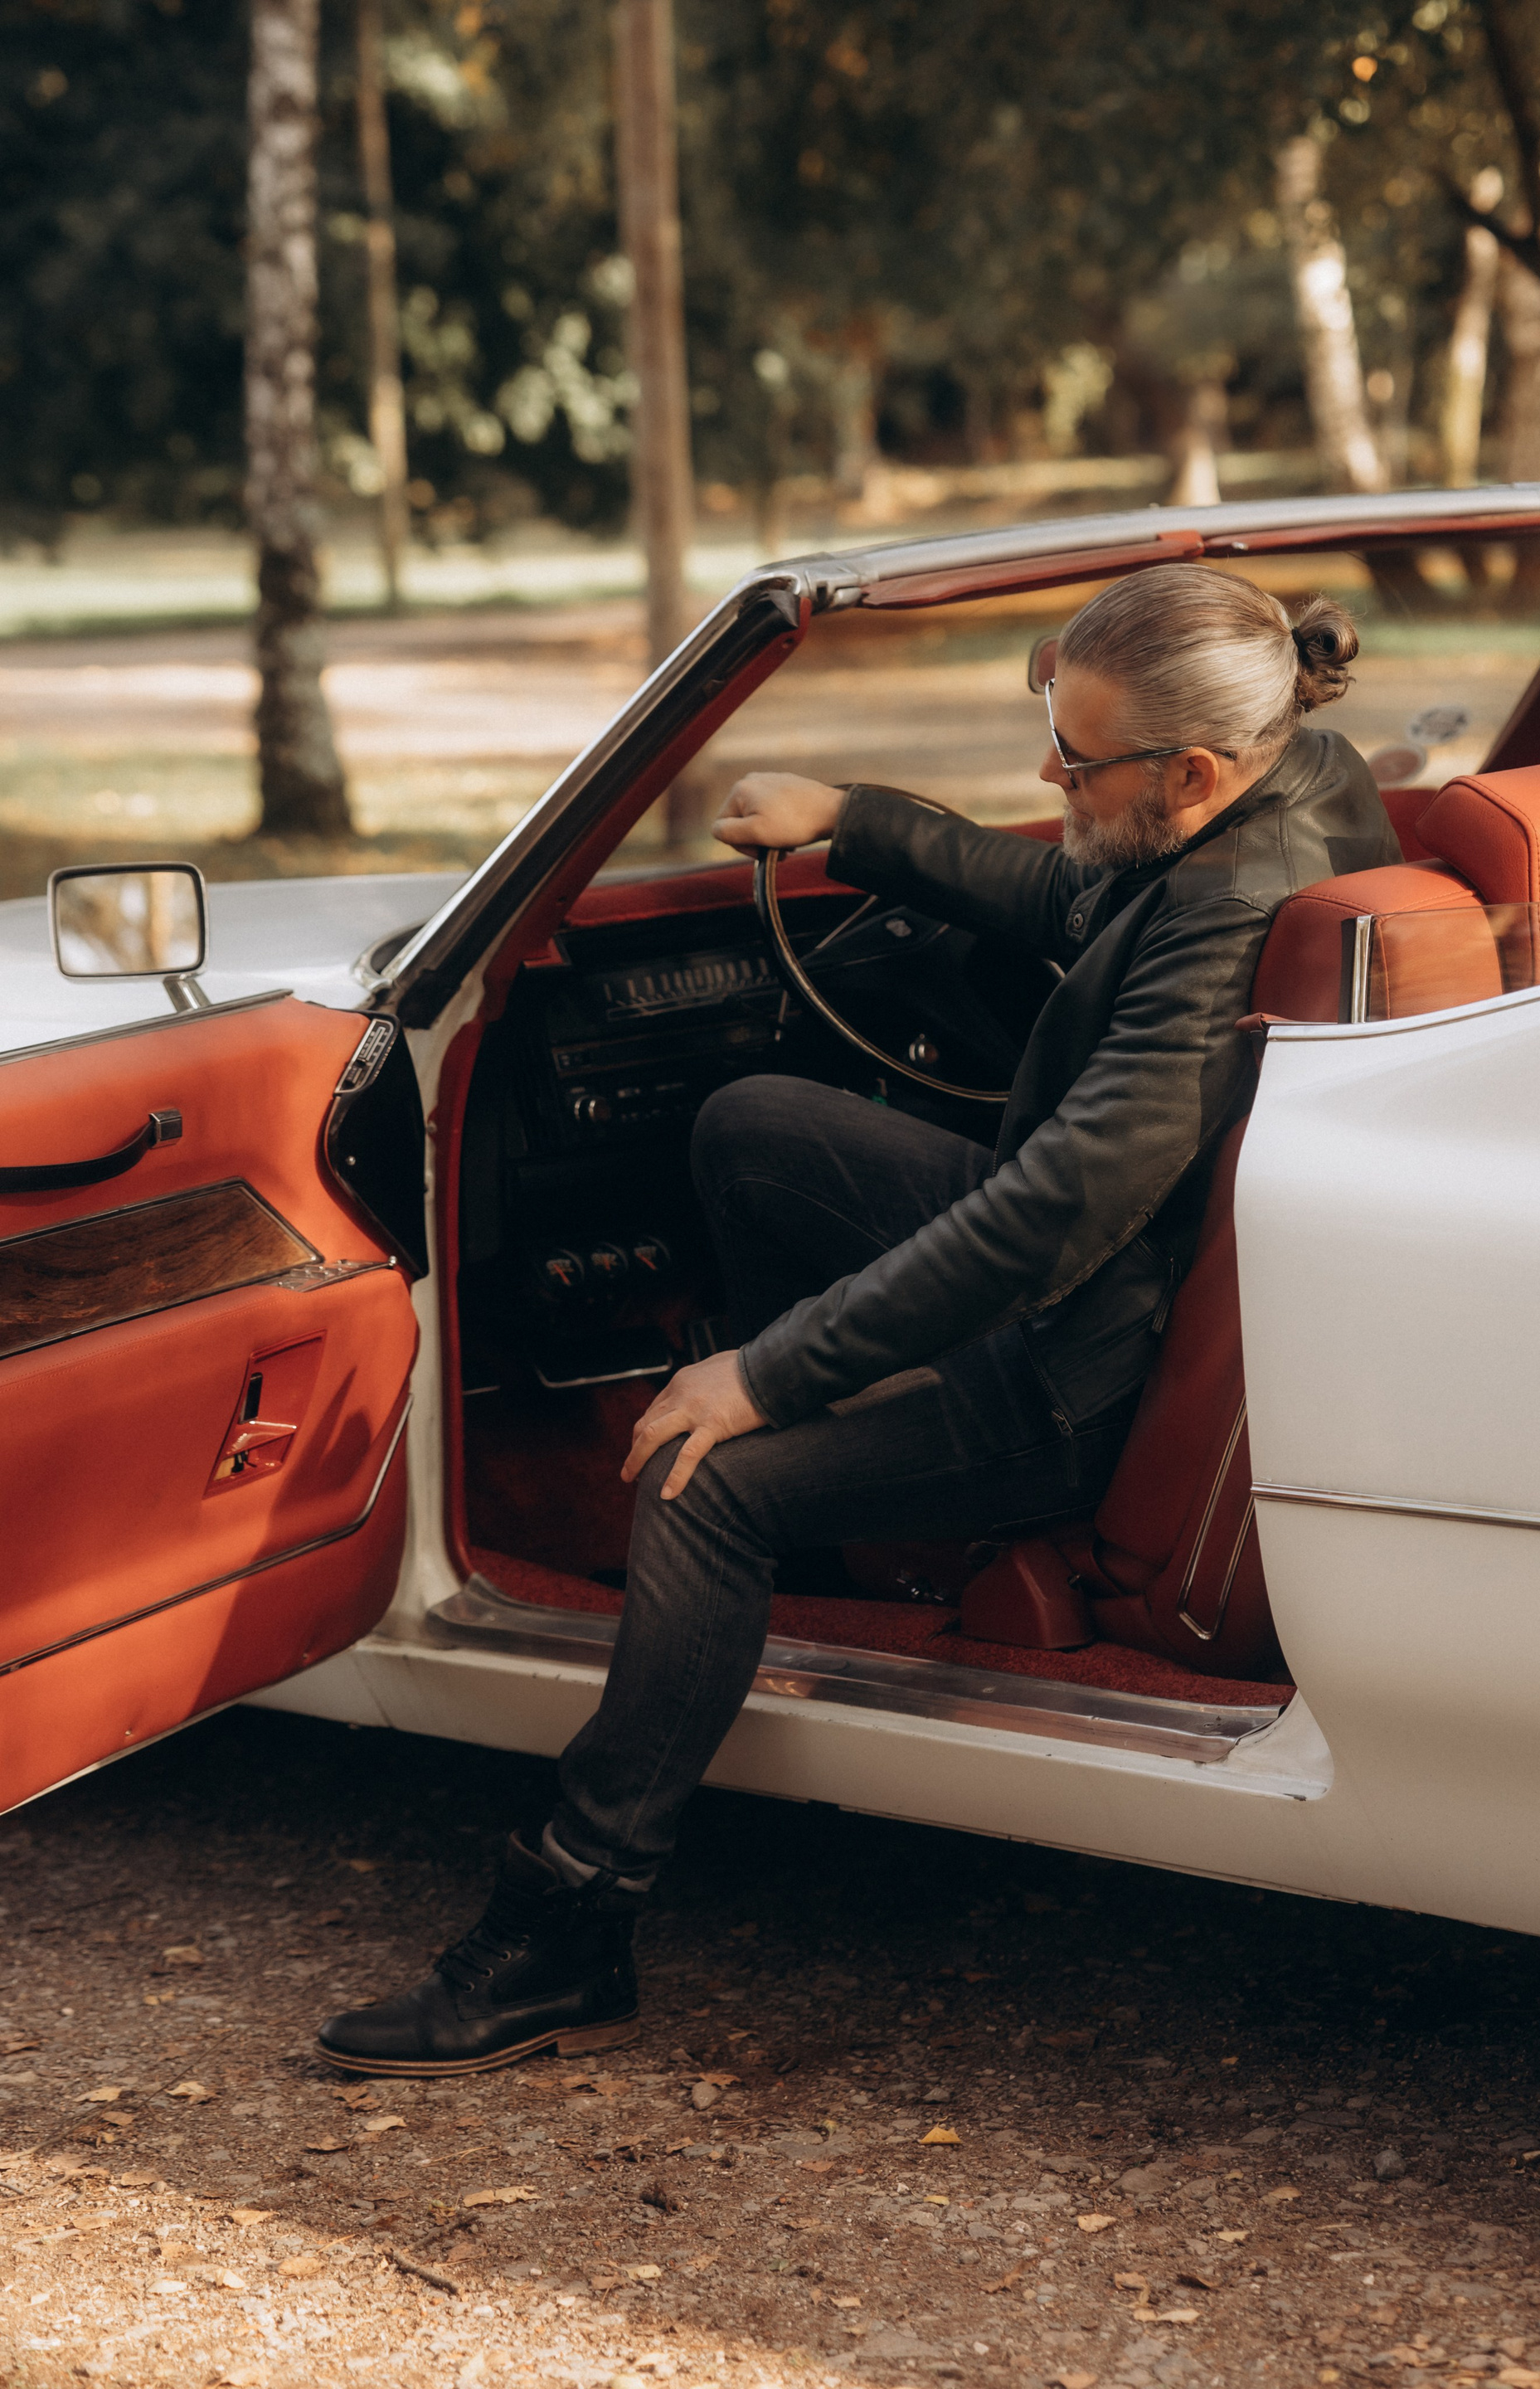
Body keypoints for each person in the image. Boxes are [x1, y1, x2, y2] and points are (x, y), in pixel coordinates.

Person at [318, 562, 1399, 2077]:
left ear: (1193, 773)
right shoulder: (1295, 776)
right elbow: (1081, 894)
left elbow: (1049, 1217)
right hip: (1121, 1283)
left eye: (1074, 758)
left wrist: (767, 1378)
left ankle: (564, 1929)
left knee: (699, 1480)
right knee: (754, 1126)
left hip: (1085, 1370)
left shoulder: (1230, 911)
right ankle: (811, 1551)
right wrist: (853, 820)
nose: (1049, 774)